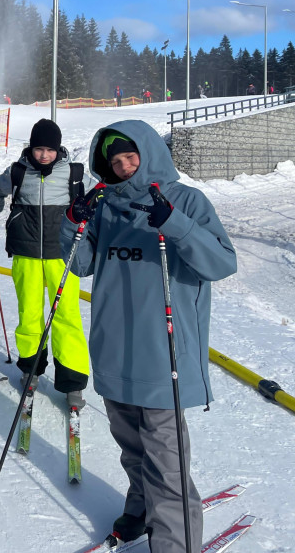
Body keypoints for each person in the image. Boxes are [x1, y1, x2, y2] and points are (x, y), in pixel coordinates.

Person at [61, 121, 236, 553]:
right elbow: (79, 264)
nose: (123, 168)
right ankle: (140, 509)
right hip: (113, 351)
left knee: (167, 466)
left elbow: (221, 263)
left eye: (130, 157)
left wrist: (175, 225)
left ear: (150, 152)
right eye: (115, 162)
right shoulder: (104, 205)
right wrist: (72, 222)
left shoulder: (186, 200)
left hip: (163, 359)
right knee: (132, 450)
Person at [0, 118, 90, 407]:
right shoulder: (19, 170)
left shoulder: (74, 173)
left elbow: (96, 198)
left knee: (67, 317)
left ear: (58, 149)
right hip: (26, 253)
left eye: (49, 150)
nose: (44, 155)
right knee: (29, 314)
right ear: (31, 148)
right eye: (39, 149)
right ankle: (31, 369)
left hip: (63, 255)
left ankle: (73, 380)